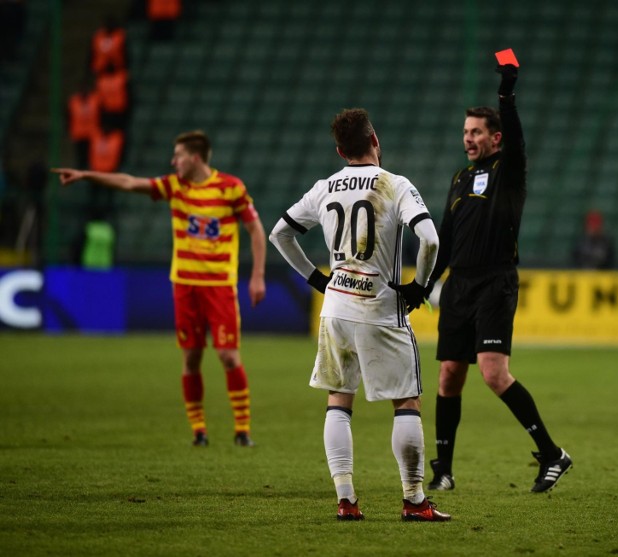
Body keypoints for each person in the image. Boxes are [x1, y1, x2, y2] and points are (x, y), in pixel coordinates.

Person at [270, 108, 450, 522]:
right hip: (381, 308)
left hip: (336, 309)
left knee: (339, 400)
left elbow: (279, 232)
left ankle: (347, 500)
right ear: (375, 141)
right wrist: (420, 286)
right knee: (406, 401)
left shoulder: (326, 187)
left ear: (339, 150)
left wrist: (315, 278)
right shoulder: (395, 184)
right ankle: (414, 500)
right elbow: (430, 239)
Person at [52, 130, 266, 447]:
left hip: (219, 286)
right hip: (185, 285)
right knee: (191, 358)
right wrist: (86, 175)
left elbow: (255, 230)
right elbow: (128, 182)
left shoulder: (231, 188)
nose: (173, 161)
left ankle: (242, 430)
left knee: (228, 356)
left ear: (194, 158)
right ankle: (199, 430)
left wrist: (257, 275)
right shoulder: (173, 186)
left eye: (177, 155)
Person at [423, 60, 572, 494]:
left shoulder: (509, 171)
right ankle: (444, 470)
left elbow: (518, 138)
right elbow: (446, 240)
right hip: (458, 287)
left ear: (495, 138)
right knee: (450, 374)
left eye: (476, 132)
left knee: (492, 372)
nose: (468, 138)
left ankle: (551, 454)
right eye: (466, 131)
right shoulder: (459, 178)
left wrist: (507, 95)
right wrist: (425, 283)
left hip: (495, 281)